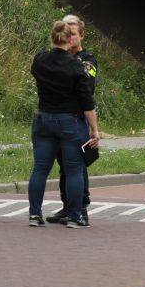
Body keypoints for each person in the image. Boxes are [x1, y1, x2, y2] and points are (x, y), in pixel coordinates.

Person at [27, 21, 99, 228]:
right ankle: (75, 215)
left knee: (40, 168)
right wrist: (94, 130)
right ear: (69, 39)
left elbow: (36, 72)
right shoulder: (76, 65)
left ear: (52, 37)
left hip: (43, 119)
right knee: (74, 169)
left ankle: (34, 214)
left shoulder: (40, 60)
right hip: (69, 121)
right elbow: (87, 101)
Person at [47, 14, 98, 225]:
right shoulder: (59, 57)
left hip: (78, 118)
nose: (69, 37)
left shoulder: (88, 60)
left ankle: (81, 207)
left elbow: (85, 84)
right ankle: (67, 206)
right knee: (63, 163)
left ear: (81, 35)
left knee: (77, 164)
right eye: (66, 32)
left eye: (73, 33)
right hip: (59, 116)